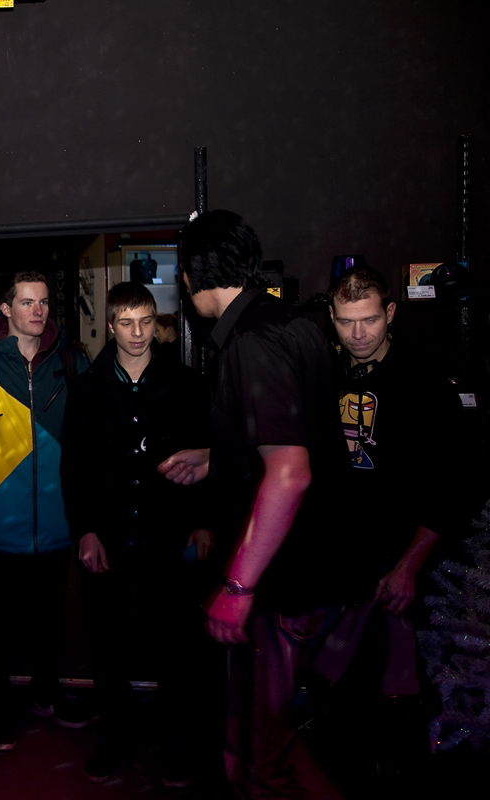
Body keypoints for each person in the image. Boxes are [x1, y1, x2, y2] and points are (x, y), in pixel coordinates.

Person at [159, 210, 353, 798]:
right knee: (262, 744)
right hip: (310, 569)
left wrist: (238, 587)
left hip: (280, 580)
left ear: (192, 274)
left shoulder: (249, 340)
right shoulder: (291, 323)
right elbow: (296, 438)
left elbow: (290, 475)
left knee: (260, 759)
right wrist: (217, 458)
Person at [61, 281, 215, 788]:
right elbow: (74, 467)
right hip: (107, 534)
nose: (136, 332)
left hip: (166, 534)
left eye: (145, 322)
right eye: (126, 323)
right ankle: (113, 737)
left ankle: (175, 743)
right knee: (109, 646)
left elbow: (205, 456)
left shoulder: (185, 383)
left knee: (175, 645)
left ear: (157, 323)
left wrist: (202, 522)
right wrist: (85, 530)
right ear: (110, 326)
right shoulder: (87, 387)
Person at [326, 265, 462, 787]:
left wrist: (408, 567)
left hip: (405, 568)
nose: (358, 333)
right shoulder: (326, 375)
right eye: (346, 321)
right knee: (347, 698)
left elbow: (451, 489)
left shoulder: (424, 384)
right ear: (331, 318)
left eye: (369, 320)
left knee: (407, 699)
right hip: (345, 568)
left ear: (390, 313)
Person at [0, 271, 90, 749]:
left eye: (44, 302)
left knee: (51, 621)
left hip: (57, 523)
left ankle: (47, 695)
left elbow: (90, 441)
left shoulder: (72, 362)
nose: (38, 311)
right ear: (6, 308)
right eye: (27, 302)